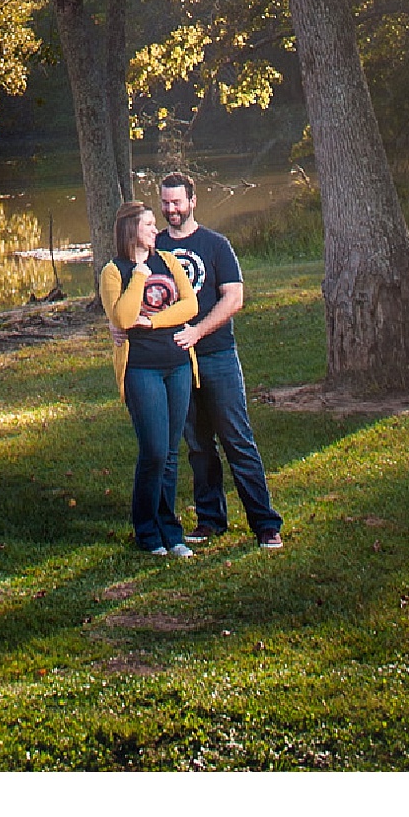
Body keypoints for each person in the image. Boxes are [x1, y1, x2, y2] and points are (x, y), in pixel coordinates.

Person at [155, 170, 284, 550]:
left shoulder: (215, 245)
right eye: (165, 202)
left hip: (217, 356)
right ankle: (210, 520)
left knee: (237, 440)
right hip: (176, 363)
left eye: (177, 202)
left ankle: (265, 524)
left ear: (193, 201)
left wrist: (198, 331)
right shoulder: (156, 247)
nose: (171, 209)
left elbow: (234, 298)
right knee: (198, 445)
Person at [97, 201, 201, 558]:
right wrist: (139, 274)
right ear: (130, 231)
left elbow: (190, 306)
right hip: (142, 370)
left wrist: (155, 321)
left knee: (171, 453)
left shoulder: (169, 261)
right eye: (146, 225)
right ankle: (146, 529)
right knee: (154, 452)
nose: (153, 230)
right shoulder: (115, 271)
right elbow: (124, 317)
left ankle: (170, 532)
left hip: (177, 365)